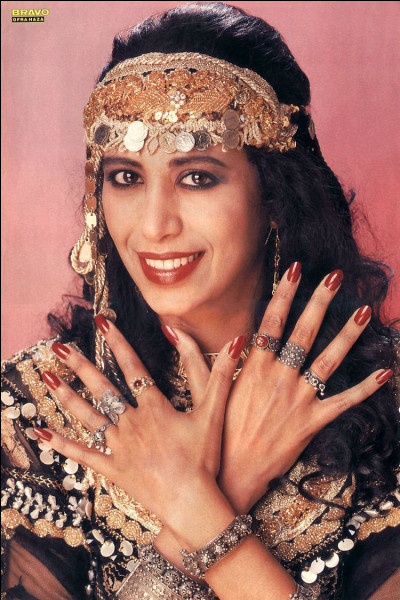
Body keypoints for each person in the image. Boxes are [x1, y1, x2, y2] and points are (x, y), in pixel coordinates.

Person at [1, 2, 399, 599]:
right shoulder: (38, 408)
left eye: (197, 177)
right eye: (126, 177)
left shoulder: (383, 395)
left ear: (274, 195)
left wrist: (202, 509)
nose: (154, 226)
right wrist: (230, 482)